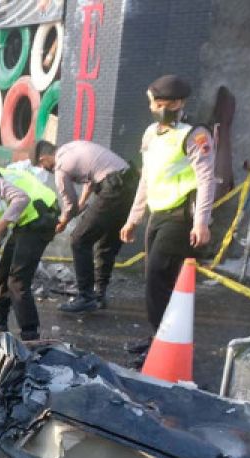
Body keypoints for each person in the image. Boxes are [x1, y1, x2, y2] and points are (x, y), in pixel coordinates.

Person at [120, 74, 215, 357]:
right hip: (157, 215)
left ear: (180, 103)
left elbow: (207, 178)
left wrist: (201, 221)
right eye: (155, 103)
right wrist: (133, 218)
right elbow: (146, 178)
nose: (159, 108)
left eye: (165, 103)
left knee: (159, 279)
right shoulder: (151, 134)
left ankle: (164, 346)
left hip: (180, 216)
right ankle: (159, 339)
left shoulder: (195, 134)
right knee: (155, 281)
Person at [36, 140, 138, 314]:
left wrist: (62, 222)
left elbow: (69, 205)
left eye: (41, 164)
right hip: (130, 184)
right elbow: (91, 179)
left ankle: (85, 297)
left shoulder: (60, 167)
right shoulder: (73, 147)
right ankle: (99, 294)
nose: (44, 168)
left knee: (79, 240)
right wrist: (83, 203)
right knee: (107, 241)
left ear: (44, 158)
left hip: (113, 188)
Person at [0, 165, 60, 342]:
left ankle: (30, 335)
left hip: (39, 217)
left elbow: (21, 199)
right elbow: (1, 229)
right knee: (2, 274)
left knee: (17, 281)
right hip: (27, 220)